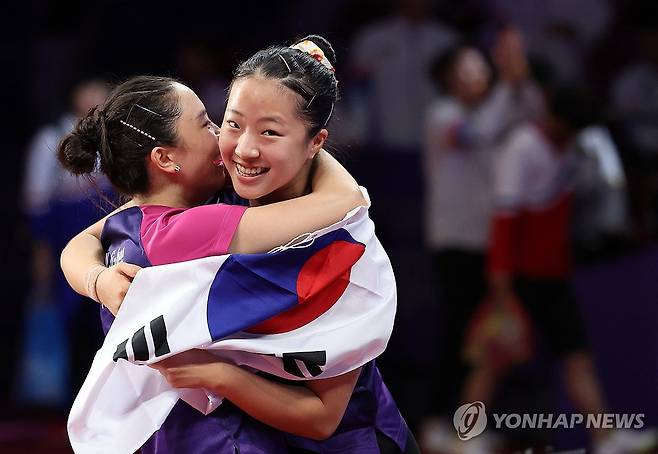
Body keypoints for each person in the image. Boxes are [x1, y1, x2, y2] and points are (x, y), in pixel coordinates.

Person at [60, 36, 419, 454]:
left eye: (270, 130)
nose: (243, 148)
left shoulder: (338, 244)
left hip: (356, 442)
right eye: (228, 123)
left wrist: (217, 374)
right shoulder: (203, 209)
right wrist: (99, 280)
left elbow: (322, 418)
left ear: (315, 142)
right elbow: (89, 238)